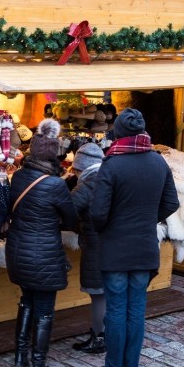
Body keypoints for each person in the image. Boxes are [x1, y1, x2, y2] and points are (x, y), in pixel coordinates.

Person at [90, 108, 179, 367]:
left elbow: (98, 212)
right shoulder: (158, 162)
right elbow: (171, 203)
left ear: (118, 132)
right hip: (144, 247)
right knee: (136, 310)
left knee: (116, 309)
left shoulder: (112, 164)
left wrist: (111, 228)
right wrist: (146, 220)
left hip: (116, 249)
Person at [7, 118, 78, 367]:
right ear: (54, 155)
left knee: (26, 301)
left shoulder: (17, 177)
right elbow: (70, 220)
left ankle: (20, 355)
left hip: (18, 250)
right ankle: (39, 365)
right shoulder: (56, 185)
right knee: (45, 309)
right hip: (45, 253)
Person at [68, 142, 106, 354]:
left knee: (98, 294)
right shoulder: (109, 177)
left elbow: (69, 209)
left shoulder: (88, 184)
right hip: (112, 243)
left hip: (95, 245)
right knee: (107, 293)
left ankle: (99, 338)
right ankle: (105, 334)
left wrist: (75, 227)